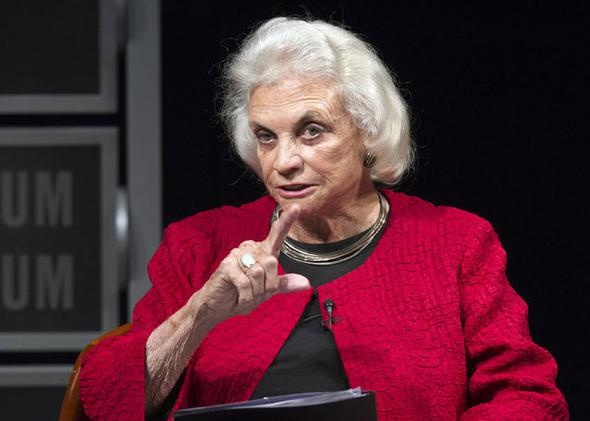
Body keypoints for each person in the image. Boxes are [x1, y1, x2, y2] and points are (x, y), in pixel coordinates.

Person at [78, 17, 568, 420]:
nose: (283, 161)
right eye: (266, 136)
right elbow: (108, 398)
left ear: (367, 131)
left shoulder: (456, 243)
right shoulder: (198, 244)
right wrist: (200, 313)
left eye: (311, 131)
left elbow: (526, 394)